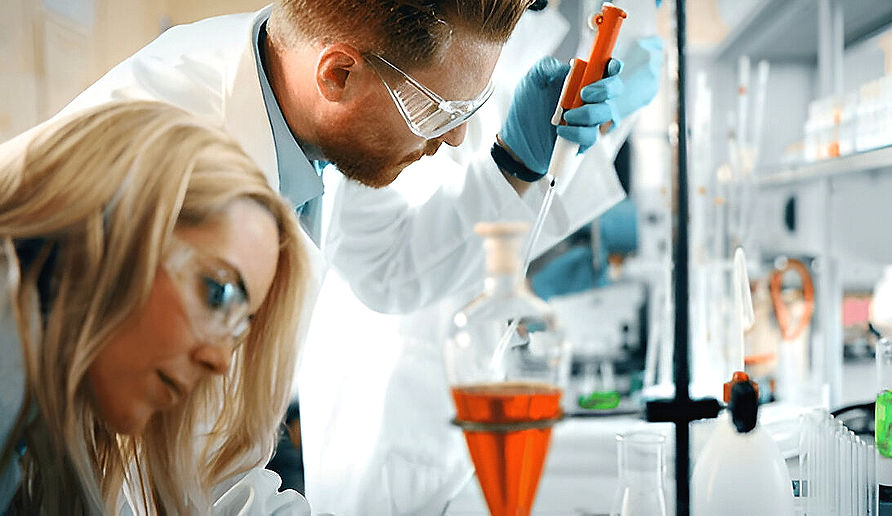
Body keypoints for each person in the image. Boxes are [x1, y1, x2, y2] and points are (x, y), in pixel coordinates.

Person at [298, 0, 665, 512]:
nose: (455, 133)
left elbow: (514, 203)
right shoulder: (402, 33)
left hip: (459, 397)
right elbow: (388, 261)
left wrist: (599, 129)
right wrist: (516, 159)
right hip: (387, 415)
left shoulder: (529, 24)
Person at [43, 0, 629, 316]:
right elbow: (172, 476)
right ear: (339, 73)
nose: (454, 139)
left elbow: (389, 264)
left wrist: (516, 164)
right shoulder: (173, 168)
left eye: (472, 107)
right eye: (439, 112)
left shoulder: (304, 110)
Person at [0, 101, 312, 513]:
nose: (220, 360)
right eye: (218, 293)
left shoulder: (53, 421)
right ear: (114, 225)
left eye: (240, 328)